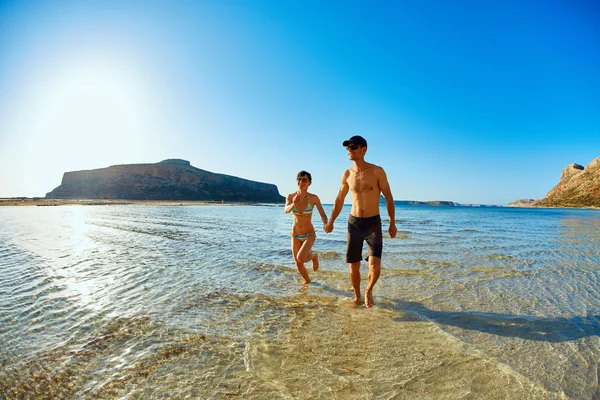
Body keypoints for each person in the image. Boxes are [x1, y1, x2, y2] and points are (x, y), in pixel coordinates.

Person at [324, 135, 397, 307]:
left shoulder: (377, 171)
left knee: (375, 265)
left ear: (364, 149)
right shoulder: (347, 174)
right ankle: (357, 296)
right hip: (354, 223)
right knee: (354, 265)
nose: (349, 150)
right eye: (348, 147)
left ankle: (368, 290)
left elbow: (388, 197)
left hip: (373, 223)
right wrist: (331, 221)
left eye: (353, 147)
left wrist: (392, 222)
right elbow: (339, 199)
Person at [285, 171, 328, 284]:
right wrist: (294, 203)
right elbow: (286, 210)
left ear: (310, 183)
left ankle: (314, 256)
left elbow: (323, 215)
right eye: (299, 179)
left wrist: (326, 224)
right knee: (298, 264)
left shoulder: (314, 198)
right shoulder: (290, 196)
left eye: (304, 180)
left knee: (301, 258)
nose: (301, 181)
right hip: (295, 234)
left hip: (309, 234)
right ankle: (308, 282)